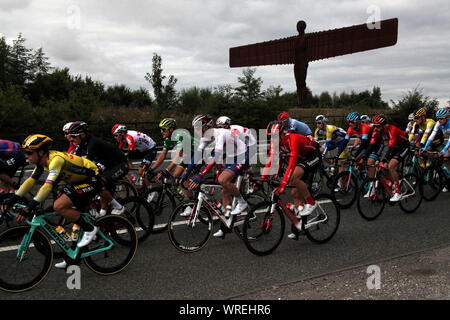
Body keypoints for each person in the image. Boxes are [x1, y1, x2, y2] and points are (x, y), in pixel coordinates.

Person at [7, 134, 102, 268]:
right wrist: (13, 199)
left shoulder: (55, 159)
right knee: (58, 208)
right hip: (77, 182)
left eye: (29, 153)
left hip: (92, 179)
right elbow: (30, 181)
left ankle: (91, 228)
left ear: (41, 152)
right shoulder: (42, 161)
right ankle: (72, 256)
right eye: (24, 153)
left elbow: (47, 186)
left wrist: (30, 206)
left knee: (59, 206)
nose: (26, 156)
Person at [180, 115, 250, 237]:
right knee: (224, 191)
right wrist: (185, 174)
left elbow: (216, 157)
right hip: (230, 157)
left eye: (197, 128)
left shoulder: (221, 133)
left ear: (206, 127)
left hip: (241, 155)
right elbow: (196, 157)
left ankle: (242, 202)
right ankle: (225, 225)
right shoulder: (205, 138)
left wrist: (201, 175)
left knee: (223, 179)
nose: (195, 131)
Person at [262, 121, 321, 239]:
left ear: (282, 134)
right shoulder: (276, 142)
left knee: (294, 177)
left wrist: (283, 185)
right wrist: (263, 178)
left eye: (274, 136)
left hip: (313, 156)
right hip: (301, 159)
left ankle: (311, 202)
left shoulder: (291, 139)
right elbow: (272, 160)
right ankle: (300, 226)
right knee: (295, 193)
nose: (272, 139)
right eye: (270, 137)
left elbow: (292, 163)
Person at [66, 121, 128, 217]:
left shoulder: (92, 143)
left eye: (73, 136)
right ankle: (104, 209)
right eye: (70, 136)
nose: (71, 139)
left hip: (120, 165)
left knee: (98, 182)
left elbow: (87, 163)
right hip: (107, 165)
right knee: (94, 181)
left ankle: (119, 207)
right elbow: (75, 159)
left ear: (82, 135)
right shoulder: (82, 143)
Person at [366, 115, 410, 202]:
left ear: (384, 125)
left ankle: (398, 192)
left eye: (378, 126)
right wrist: (364, 156)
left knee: (391, 166)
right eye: (374, 126)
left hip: (403, 147)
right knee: (382, 168)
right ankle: (394, 182)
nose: (375, 128)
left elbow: (391, 147)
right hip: (393, 147)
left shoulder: (391, 129)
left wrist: (385, 160)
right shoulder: (376, 131)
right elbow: (371, 145)